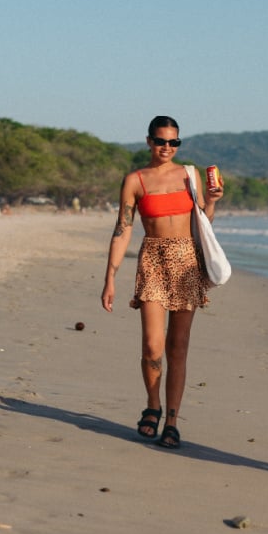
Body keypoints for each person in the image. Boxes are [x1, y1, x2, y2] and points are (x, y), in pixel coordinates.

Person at [101, 116, 224, 449]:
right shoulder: (135, 180)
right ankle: (152, 404)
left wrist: (211, 200)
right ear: (148, 141)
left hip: (186, 261)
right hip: (153, 258)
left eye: (173, 142)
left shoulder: (189, 175)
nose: (167, 148)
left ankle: (171, 420)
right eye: (160, 141)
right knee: (152, 346)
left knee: (178, 347)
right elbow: (123, 228)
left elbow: (203, 220)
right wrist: (110, 277)